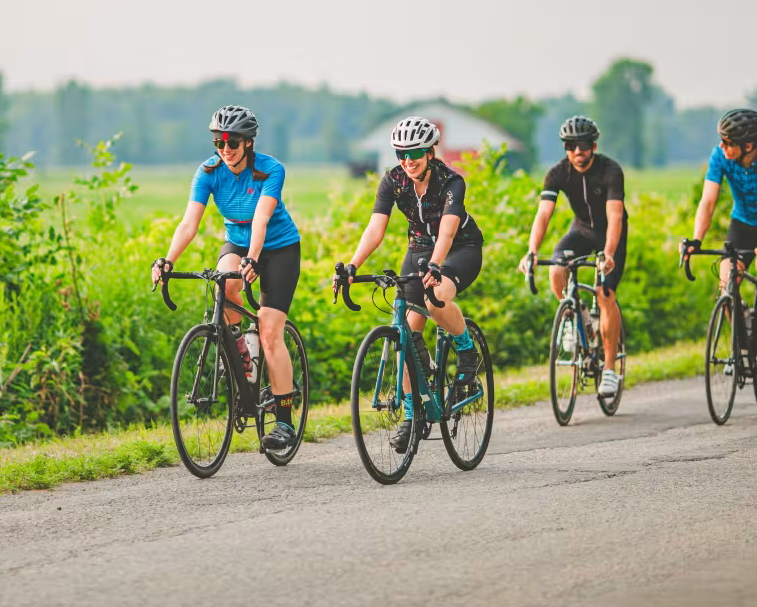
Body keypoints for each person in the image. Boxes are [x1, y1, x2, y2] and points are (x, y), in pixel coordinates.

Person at [150, 105, 303, 452]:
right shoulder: (208, 172)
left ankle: (284, 422)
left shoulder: (270, 170)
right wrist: (168, 260)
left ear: (248, 142)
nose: (225, 149)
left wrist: (254, 258)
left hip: (279, 248)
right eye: (218, 142)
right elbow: (189, 224)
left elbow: (262, 219)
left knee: (270, 330)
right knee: (224, 285)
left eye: (232, 142)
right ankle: (242, 355)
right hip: (237, 242)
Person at [337, 116, 483, 453]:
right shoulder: (394, 181)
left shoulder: (451, 182)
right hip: (418, 251)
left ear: (430, 152)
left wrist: (437, 264)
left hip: (460, 249)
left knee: (436, 299)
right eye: (401, 153)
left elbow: (448, 230)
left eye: (415, 152)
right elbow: (376, 228)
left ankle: (466, 350)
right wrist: (353, 265)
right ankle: (410, 415)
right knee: (405, 336)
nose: (408, 159)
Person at [518, 115, 628, 397]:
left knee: (605, 294)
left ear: (594, 145)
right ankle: (575, 317)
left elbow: (615, 216)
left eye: (583, 145)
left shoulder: (610, 170)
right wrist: (532, 252)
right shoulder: (557, 173)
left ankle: (610, 370)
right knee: (556, 269)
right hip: (581, 230)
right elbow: (543, 214)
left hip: (610, 234)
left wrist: (608, 254)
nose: (577, 151)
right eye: (570, 145)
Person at [681, 108, 757, 369]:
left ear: (748, 145)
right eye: (721, 140)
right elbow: (708, 201)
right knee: (727, 278)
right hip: (743, 221)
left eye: (727, 142)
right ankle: (742, 350)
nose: (721, 146)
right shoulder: (719, 156)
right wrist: (696, 240)